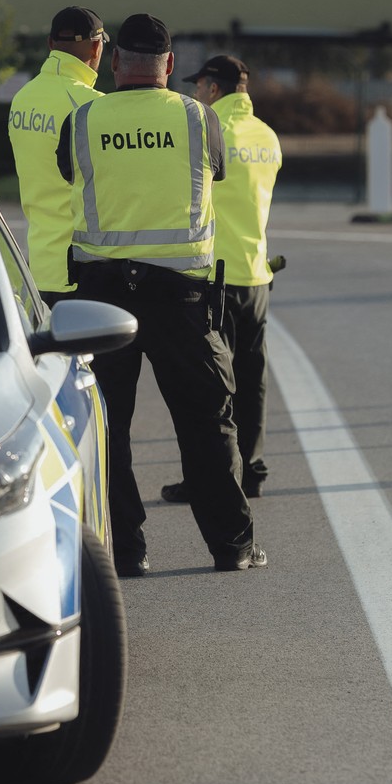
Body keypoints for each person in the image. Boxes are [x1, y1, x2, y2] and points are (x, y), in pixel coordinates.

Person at [56, 14, 265, 576]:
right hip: (183, 300)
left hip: (101, 299)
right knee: (206, 423)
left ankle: (125, 552)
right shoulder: (199, 119)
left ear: (117, 64)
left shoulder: (82, 120)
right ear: (169, 66)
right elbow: (216, 175)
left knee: (106, 428)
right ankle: (232, 546)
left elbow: (65, 174)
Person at [163, 54, 283, 504]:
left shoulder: (211, 131)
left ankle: (212, 478)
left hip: (215, 277)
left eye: (198, 87)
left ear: (214, 89)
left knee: (210, 386)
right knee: (252, 380)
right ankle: (251, 470)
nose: (195, 93)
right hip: (257, 274)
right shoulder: (267, 137)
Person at [7, 6, 105, 303]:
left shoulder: (22, 98)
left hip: (37, 268)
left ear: (50, 44)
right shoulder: (92, 106)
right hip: (81, 271)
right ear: (97, 47)